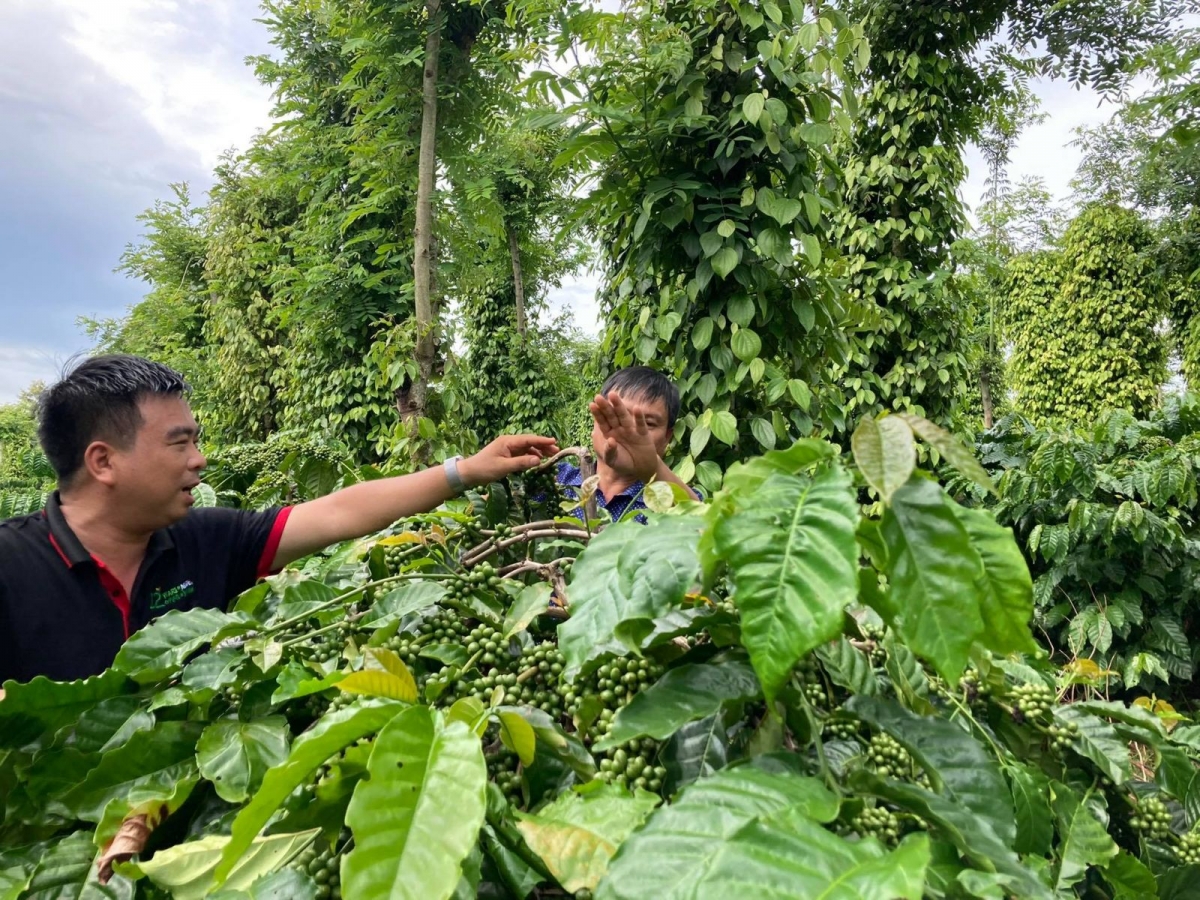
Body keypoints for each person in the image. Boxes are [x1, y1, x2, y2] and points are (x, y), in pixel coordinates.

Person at [0, 355, 558, 684]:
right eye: (180, 443)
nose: (200, 459)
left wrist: (466, 470)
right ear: (103, 461)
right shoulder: (11, 568)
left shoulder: (206, 539)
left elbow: (339, 511)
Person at [557, 367, 700, 523]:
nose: (629, 431)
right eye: (617, 415)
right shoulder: (556, 481)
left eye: (648, 423)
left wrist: (651, 467)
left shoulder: (677, 502)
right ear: (596, 419)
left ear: (667, 437)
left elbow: (707, 529)